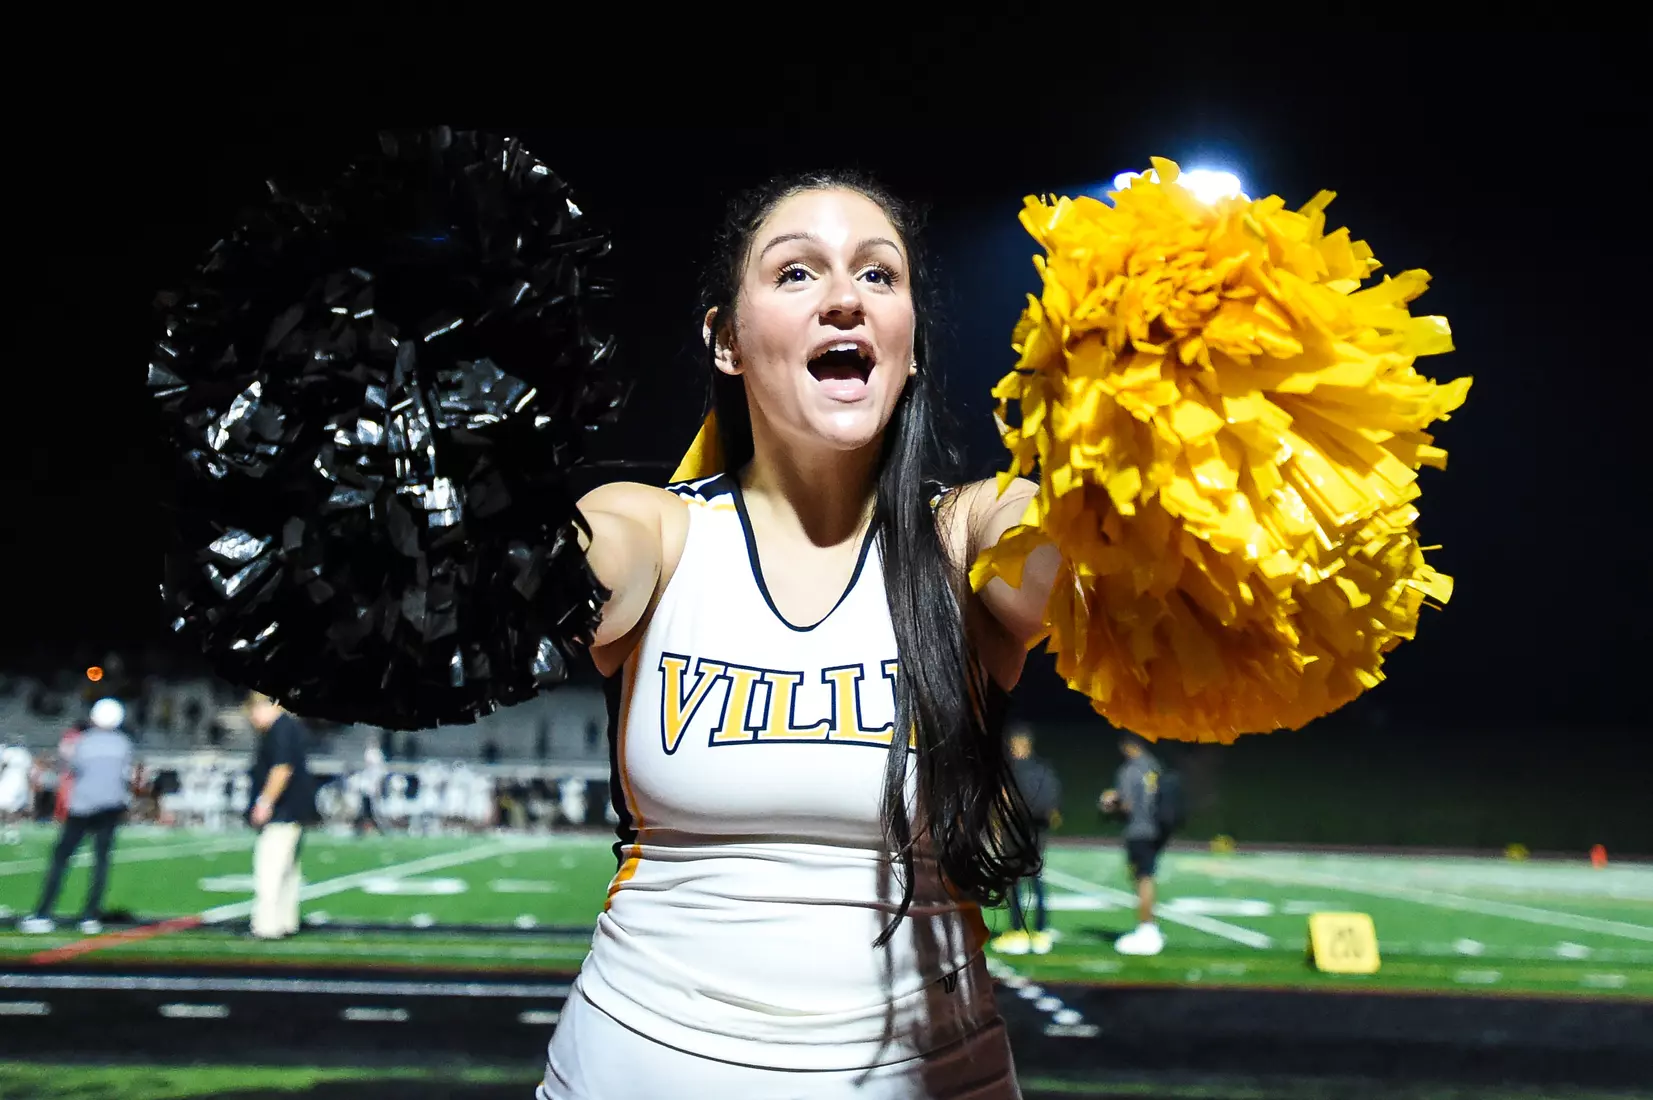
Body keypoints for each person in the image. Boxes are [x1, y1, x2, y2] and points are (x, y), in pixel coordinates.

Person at [536, 172, 1060, 1100]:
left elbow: (1087, 554)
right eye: (795, 274)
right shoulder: (654, 528)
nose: (845, 298)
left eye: (878, 275)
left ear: (910, 346)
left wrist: (1144, 430)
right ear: (726, 342)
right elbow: (545, 580)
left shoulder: (970, 532)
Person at [20, 698, 134, 935]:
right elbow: (125, 774)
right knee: (101, 862)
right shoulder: (124, 744)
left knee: (61, 859)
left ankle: (44, 913)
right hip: (111, 807)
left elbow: (72, 767)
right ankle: (90, 916)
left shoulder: (85, 742)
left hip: (82, 807)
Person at [245, 692, 317, 940]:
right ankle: (286, 921)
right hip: (294, 811)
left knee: (270, 870)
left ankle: (266, 925)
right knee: (288, 872)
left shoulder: (280, 730)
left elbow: (281, 769)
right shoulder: (292, 727)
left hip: (282, 812)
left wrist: (264, 803)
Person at [990, 726, 1061, 956]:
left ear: (1021, 744)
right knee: (1035, 879)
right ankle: (1040, 931)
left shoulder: (1012, 770)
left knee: (1015, 881)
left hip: (1015, 830)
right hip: (1036, 832)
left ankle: (1018, 931)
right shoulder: (1044, 769)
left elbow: (1003, 800)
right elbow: (1053, 804)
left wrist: (998, 829)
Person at [1099, 731, 1167, 957]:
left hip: (1138, 830)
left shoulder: (1129, 770)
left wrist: (1110, 803)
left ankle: (1147, 928)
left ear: (1128, 746)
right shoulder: (1154, 766)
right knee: (1147, 877)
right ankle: (1149, 926)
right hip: (1157, 829)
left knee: (1142, 879)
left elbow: (1127, 805)